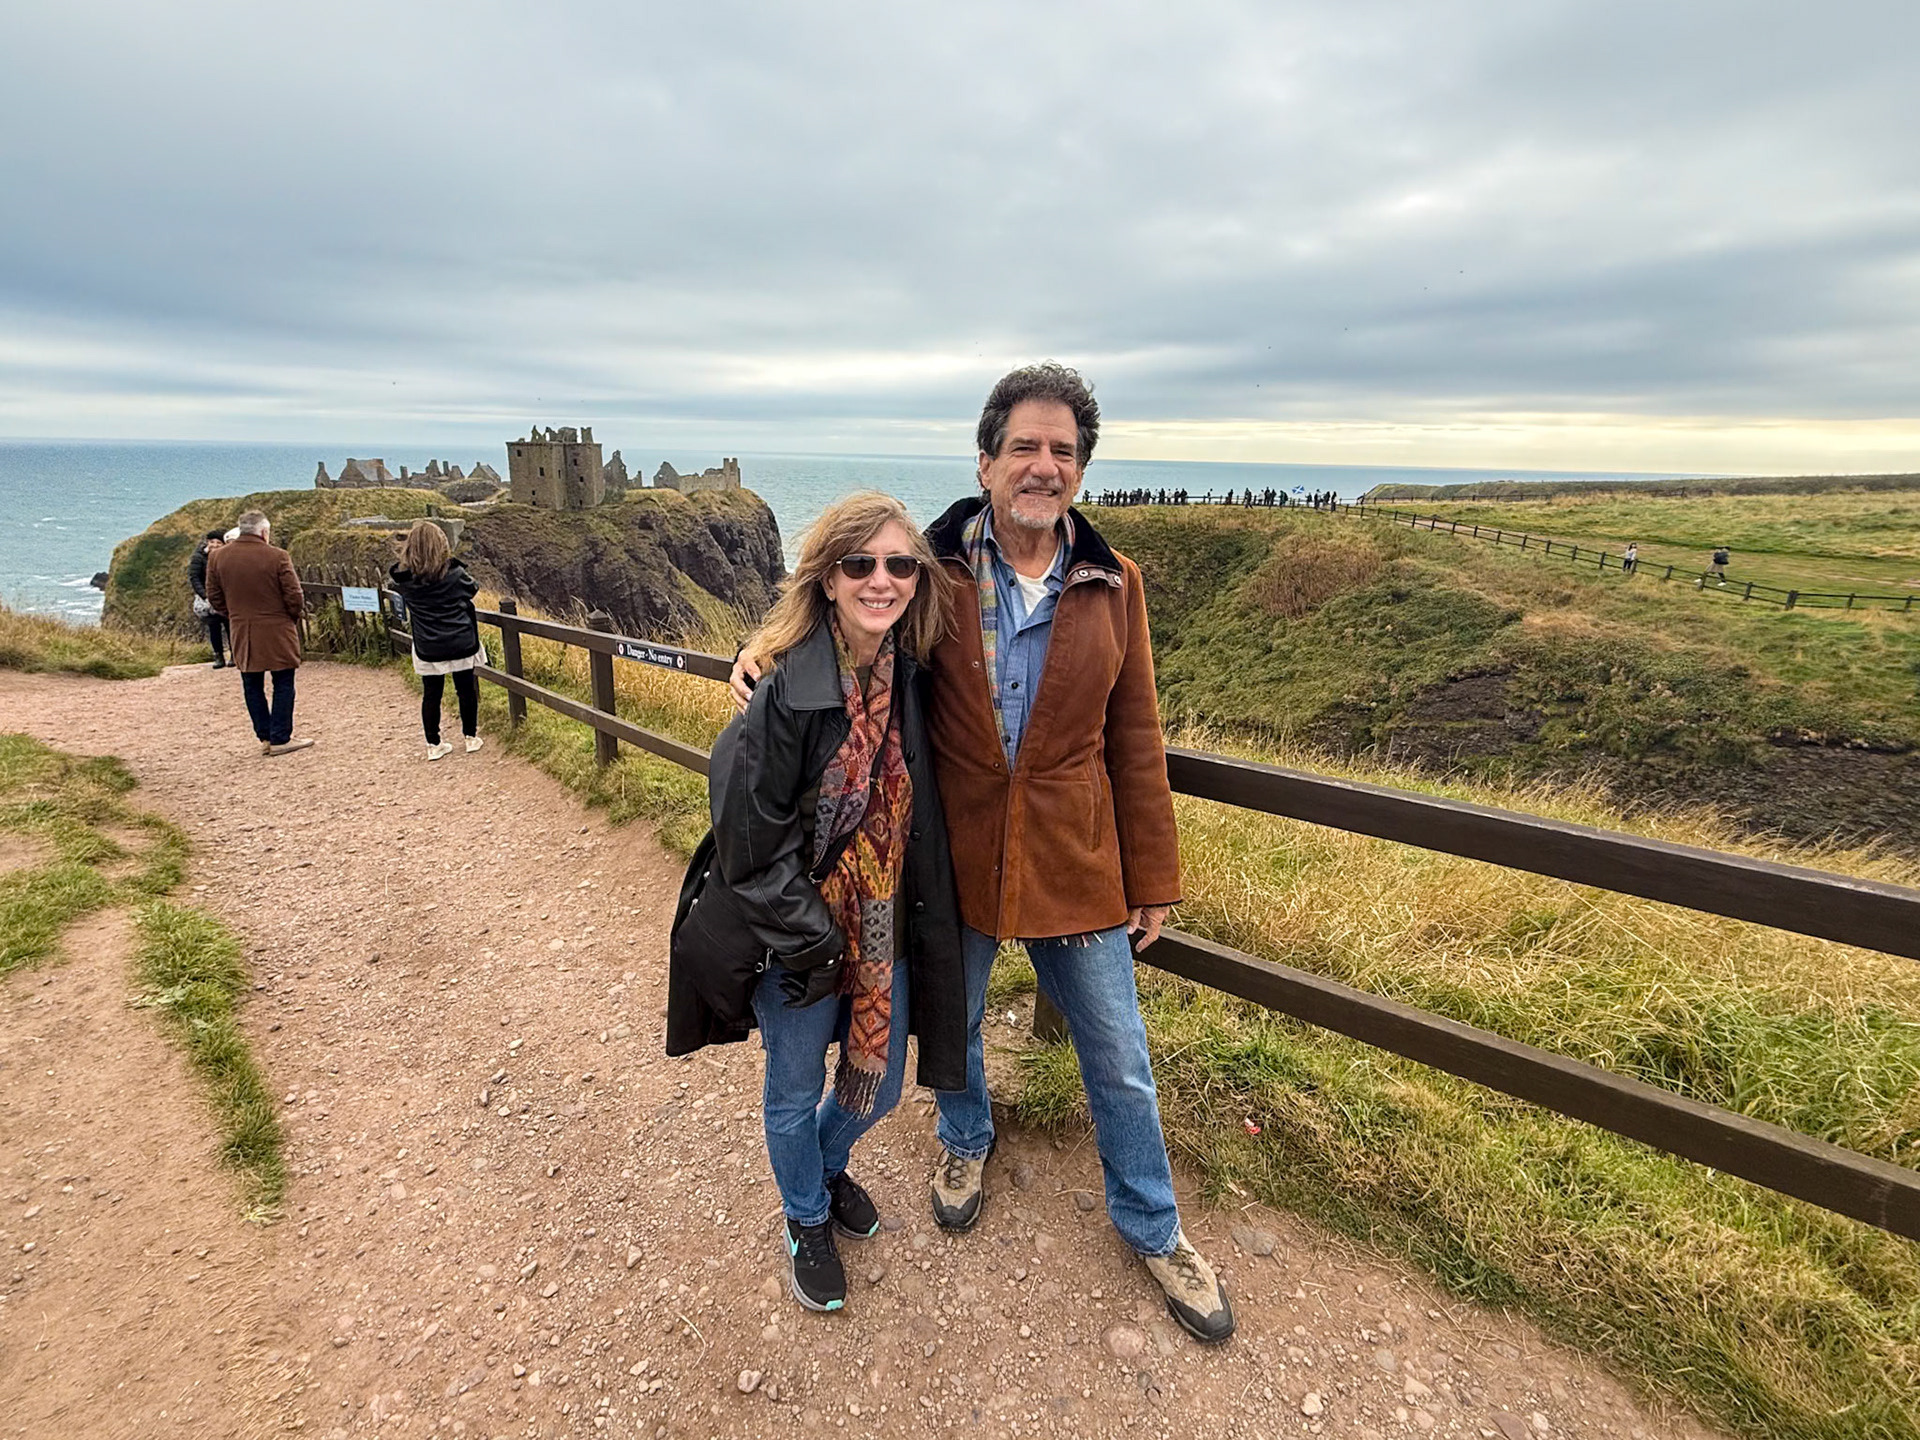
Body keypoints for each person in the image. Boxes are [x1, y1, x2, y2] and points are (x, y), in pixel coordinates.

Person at [733, 364, 1235, 1343]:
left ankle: (1154, 1225)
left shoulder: (1113, 583)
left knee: (1121, 1061)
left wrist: (1154, 877)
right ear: (987, 461)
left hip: (1077, 862)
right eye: (1025, 448)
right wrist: (763, 649)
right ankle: (965, 1143)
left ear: (1080, 471)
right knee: (951, 1030)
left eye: (1063, 451)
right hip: (951, 859)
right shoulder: (934, 569)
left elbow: (1135, 736)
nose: (1043, 466)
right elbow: (848, 612)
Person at [675, 492, 966, 1315]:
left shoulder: (905, 668)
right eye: (860, 564)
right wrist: (815, 944)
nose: (882, 579)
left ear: (917, 577)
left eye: (899, 564)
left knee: (881, 1085)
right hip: (794, 935)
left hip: (878, 922)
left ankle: (822, 1168)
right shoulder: (780, 690)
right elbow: (751, 850)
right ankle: (805, 1215)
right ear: (827, 579)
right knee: (794, 1092)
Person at [205, 510, 312, 756]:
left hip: (241, 628)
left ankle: (264, 736)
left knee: (251, 683)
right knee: (283, 681)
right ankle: (281, 737)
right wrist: (289, 617)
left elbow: (214, 596)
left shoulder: (218, 558)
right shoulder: (277, 556)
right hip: (277, 626)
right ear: (263, 532)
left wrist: (234, 615)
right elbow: (294, 595)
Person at [387, 521, 486, 761]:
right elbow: (473, 589)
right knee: (466, 689)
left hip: (428, 644)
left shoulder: (405, 582)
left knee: (432, 694)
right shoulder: (456, 575)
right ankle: (470, 737)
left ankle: (434, 744)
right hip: (460, 640)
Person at [188, 529, 229, 667]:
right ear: (207, 542)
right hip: (207, 599)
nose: (215, 545)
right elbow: (194, 578)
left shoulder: (227, 556)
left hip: (226, 597)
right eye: (212, 542)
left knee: (230, 626)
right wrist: (205, 595)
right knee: (214, 627)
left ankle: (234, 655)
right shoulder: (198, 557)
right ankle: (218, 656)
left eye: (219, 542)